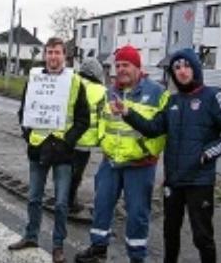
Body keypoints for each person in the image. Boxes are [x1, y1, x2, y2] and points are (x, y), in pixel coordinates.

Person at [120, 48, 221, 263]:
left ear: (195, 68)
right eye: (177, 67)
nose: (182, 71)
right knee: (170, 233)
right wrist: (128, 113)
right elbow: (152, 128)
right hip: (173, 181)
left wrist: (207, 154)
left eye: (186, 66)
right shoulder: (172, 101)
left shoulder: (213, 96)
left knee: (202, 237)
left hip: (200, 182)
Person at [75, 45, 169, 263]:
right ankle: (98, 249)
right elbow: (102, 123)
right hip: (111, 162)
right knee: (101, 206)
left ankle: (137, 257)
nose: (121, 69)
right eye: (118, 65)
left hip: (140, 164)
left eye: (126, 65)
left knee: (137, 213)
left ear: (138, 67)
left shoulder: (157, 93)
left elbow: (160, 128)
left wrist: (130, 115)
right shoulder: (110, 92)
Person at [9, 37, 90, 263]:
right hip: (38, 148)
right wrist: (28, 136)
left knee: (62, 203)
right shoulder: (34, 79)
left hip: (63, 151)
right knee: (34, 197)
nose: (53, 57)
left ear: (65, 55)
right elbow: (23, 111)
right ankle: (31, 236)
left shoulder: (75, 81)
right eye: (49, 52)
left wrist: (68, 141)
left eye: (57, 52)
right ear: (45, 55)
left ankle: (57, 246)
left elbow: (84, 119)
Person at [69, 58, 107, 213]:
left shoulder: (72, 83)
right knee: (77, 173)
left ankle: (65, 199)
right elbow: (103, 117)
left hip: (69, 138)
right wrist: (102, 140)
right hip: (86, 141)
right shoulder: (101, 91)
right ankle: (71, 203)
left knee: (66, 171)